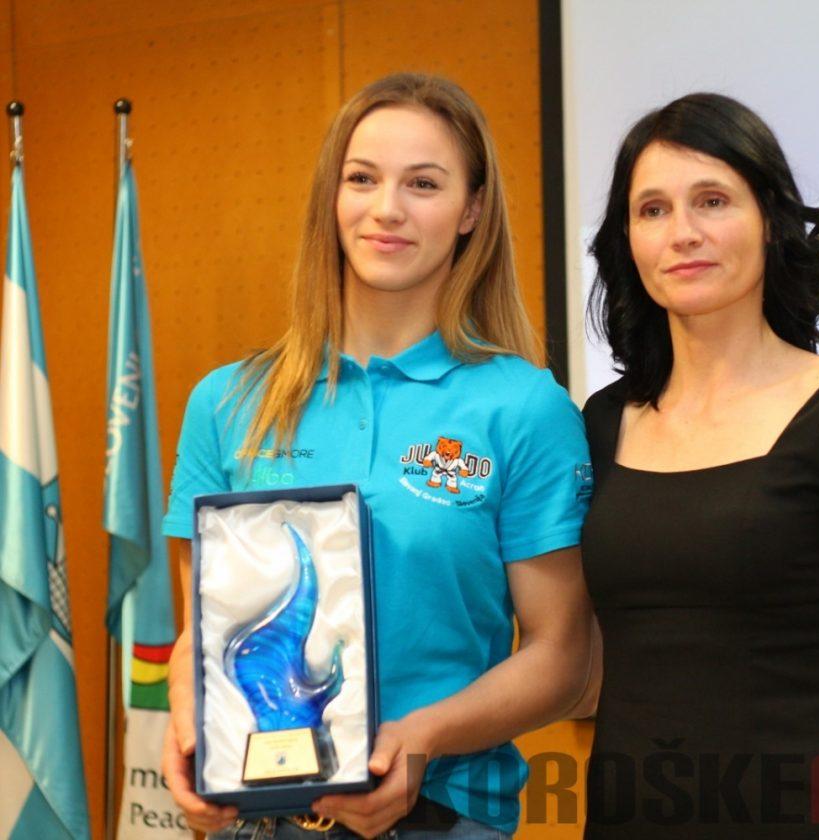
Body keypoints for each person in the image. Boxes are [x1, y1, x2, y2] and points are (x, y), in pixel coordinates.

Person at [161, 72, 594, 840]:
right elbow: (203, 632)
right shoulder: (226, 403)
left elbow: (561, 654)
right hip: (254, 819)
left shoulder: (525, 408)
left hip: (442, 818)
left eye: (423, 184)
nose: (387, 208)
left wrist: (421, 738)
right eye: (362, 179)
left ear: (472, 210)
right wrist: (191, 732)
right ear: (332, 198)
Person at [577, 93, 819, 838]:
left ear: (770, 221)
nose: (683, 232)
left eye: (712, 201)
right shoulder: (603, 421)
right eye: (652, 210)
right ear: (627, 241)